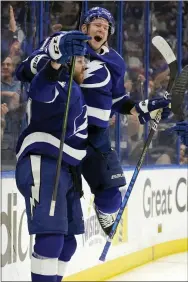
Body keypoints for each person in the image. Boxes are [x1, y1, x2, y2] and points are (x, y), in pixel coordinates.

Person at [15, 7, 171, 237]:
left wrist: (142, 108)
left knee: (112, 198)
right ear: (84, 28)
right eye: (97, 24)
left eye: (106, 27)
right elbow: (27, 68)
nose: (102, 29)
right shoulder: (63, 42)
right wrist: (55, 53)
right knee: (63, 209)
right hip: (61, 132)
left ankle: (102, 210)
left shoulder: (115, 62)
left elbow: (119, 100)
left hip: (97, 136)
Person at [15, 30, 90, 282]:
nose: (85, 65)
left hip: (67, 171)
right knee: (51, 240)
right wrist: (55, 60)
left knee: (67, 243)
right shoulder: (57, 84)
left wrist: (144, 109)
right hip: (44, 163)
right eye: (80, 60)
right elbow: (40, 89)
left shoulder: (77, 90)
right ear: (67, 61)